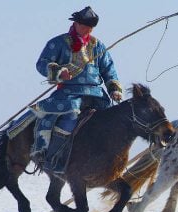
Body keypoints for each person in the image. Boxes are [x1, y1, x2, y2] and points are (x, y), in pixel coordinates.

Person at [31, 6, 122, 172]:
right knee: (70, 116)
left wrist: (114, 88)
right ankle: (53, 156)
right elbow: (42, 63)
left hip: (96, 94)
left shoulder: (98, 46)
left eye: (90, 27)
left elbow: (108, 69)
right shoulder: (57, 43)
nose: (87, 29)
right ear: (76, 24)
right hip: (69, 93)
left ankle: (109, 160)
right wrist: (58, 72)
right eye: (84, 26)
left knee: (113, 120)